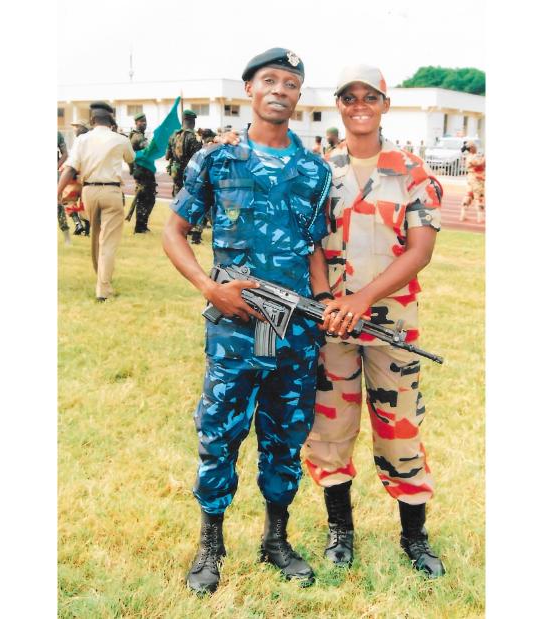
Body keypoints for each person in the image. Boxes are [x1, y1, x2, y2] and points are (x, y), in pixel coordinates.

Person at [162, 47, 332, 595]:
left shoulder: (315, 170)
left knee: (286, 434)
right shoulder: (217, 161)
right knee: (221, 431)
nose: (280, 89)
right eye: (269, 80)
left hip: (296, 331)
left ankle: (275, 539)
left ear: (298, 96)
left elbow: (314, 247)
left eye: (290, 82)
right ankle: (211, 543)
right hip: (236, 326)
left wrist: (325, 301)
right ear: (250, 91)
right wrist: (210, 287)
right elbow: (174, 232)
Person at [301, 64, 447, 579]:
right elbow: (313, 243)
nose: (358, 104)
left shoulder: (411, 172)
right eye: (349, 97)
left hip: (391, 325)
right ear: (339, 105)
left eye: (369, 96)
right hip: (333, 324)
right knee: (330, 430)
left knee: (399, 428)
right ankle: (340, 531)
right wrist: (325, 298)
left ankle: (415, 535)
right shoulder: (321, 171)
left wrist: (362, 298)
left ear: (385, 104)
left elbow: (420, 250)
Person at [57, 102, 134, 302]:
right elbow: (131, 158)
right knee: (107, 242)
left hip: (89, 191)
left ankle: (100, 278)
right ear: (112, 121)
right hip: (111, 192)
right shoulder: (120, 139)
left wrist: (57, 192)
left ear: (92, 120)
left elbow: (71, 168)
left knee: (96, 237)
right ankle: (103, 289)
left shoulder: (82, 139)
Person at [166, 109, 206, 243]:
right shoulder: (193, 137)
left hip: (175, 171)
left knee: (179, 200)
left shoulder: (173, 135)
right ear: (193, 121)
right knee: (196, 199)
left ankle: (178, 228)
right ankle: (195, 234)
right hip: (190, 173)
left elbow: (167, 156)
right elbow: (199, 158)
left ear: (183, 120)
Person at [128, 112, 158, 234]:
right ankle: (140, 227)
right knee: (147, 198)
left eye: (145, 121)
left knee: (145, 198)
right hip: (143, 172)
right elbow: (149, 149)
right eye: (141, 121)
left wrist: (132, 170)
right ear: (136, 123)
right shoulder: (138, 137)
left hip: (141, 171)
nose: (144, 123)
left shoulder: (134, 136)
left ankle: (142, 226)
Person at [64, 118, 94, 237]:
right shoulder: (92, 141)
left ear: (82, 129)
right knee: (85, 203)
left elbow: (74, 160)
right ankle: (86, 230)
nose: (74, 129)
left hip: (77, 176)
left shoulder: (79, 141)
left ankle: (78, 224)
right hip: (89, 177)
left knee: (67, 200)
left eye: (76, 127)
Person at [460, 142, 485, 223]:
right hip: (476, 179)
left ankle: (463, 215)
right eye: (474, 146)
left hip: (471, 178)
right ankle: (480, 218)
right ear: (471, 148)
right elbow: (480, 164)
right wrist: (485, 158)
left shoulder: (471, 156)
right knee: (479, 197)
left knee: (469, 195)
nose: (476, 147)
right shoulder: (472, 157)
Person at [58, 130, 70, 244]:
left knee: (58, 205)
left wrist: (56, 166)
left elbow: (65, 154)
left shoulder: (57, 135)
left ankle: (67, 237)